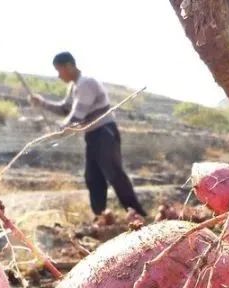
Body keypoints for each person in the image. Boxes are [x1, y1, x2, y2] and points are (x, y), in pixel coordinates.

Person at [30, 52, 147, 219]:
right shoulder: (74, 86)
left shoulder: (86, 84)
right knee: (93, 177)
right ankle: (100, 216)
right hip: (93, 136)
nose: (58, 75)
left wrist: (57, 131)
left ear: (69, 66)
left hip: (104, 133)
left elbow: (77, 116)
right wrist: (41, 103)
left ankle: (138, 214)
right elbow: (65, 109)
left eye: (59, 70)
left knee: (114, 174)